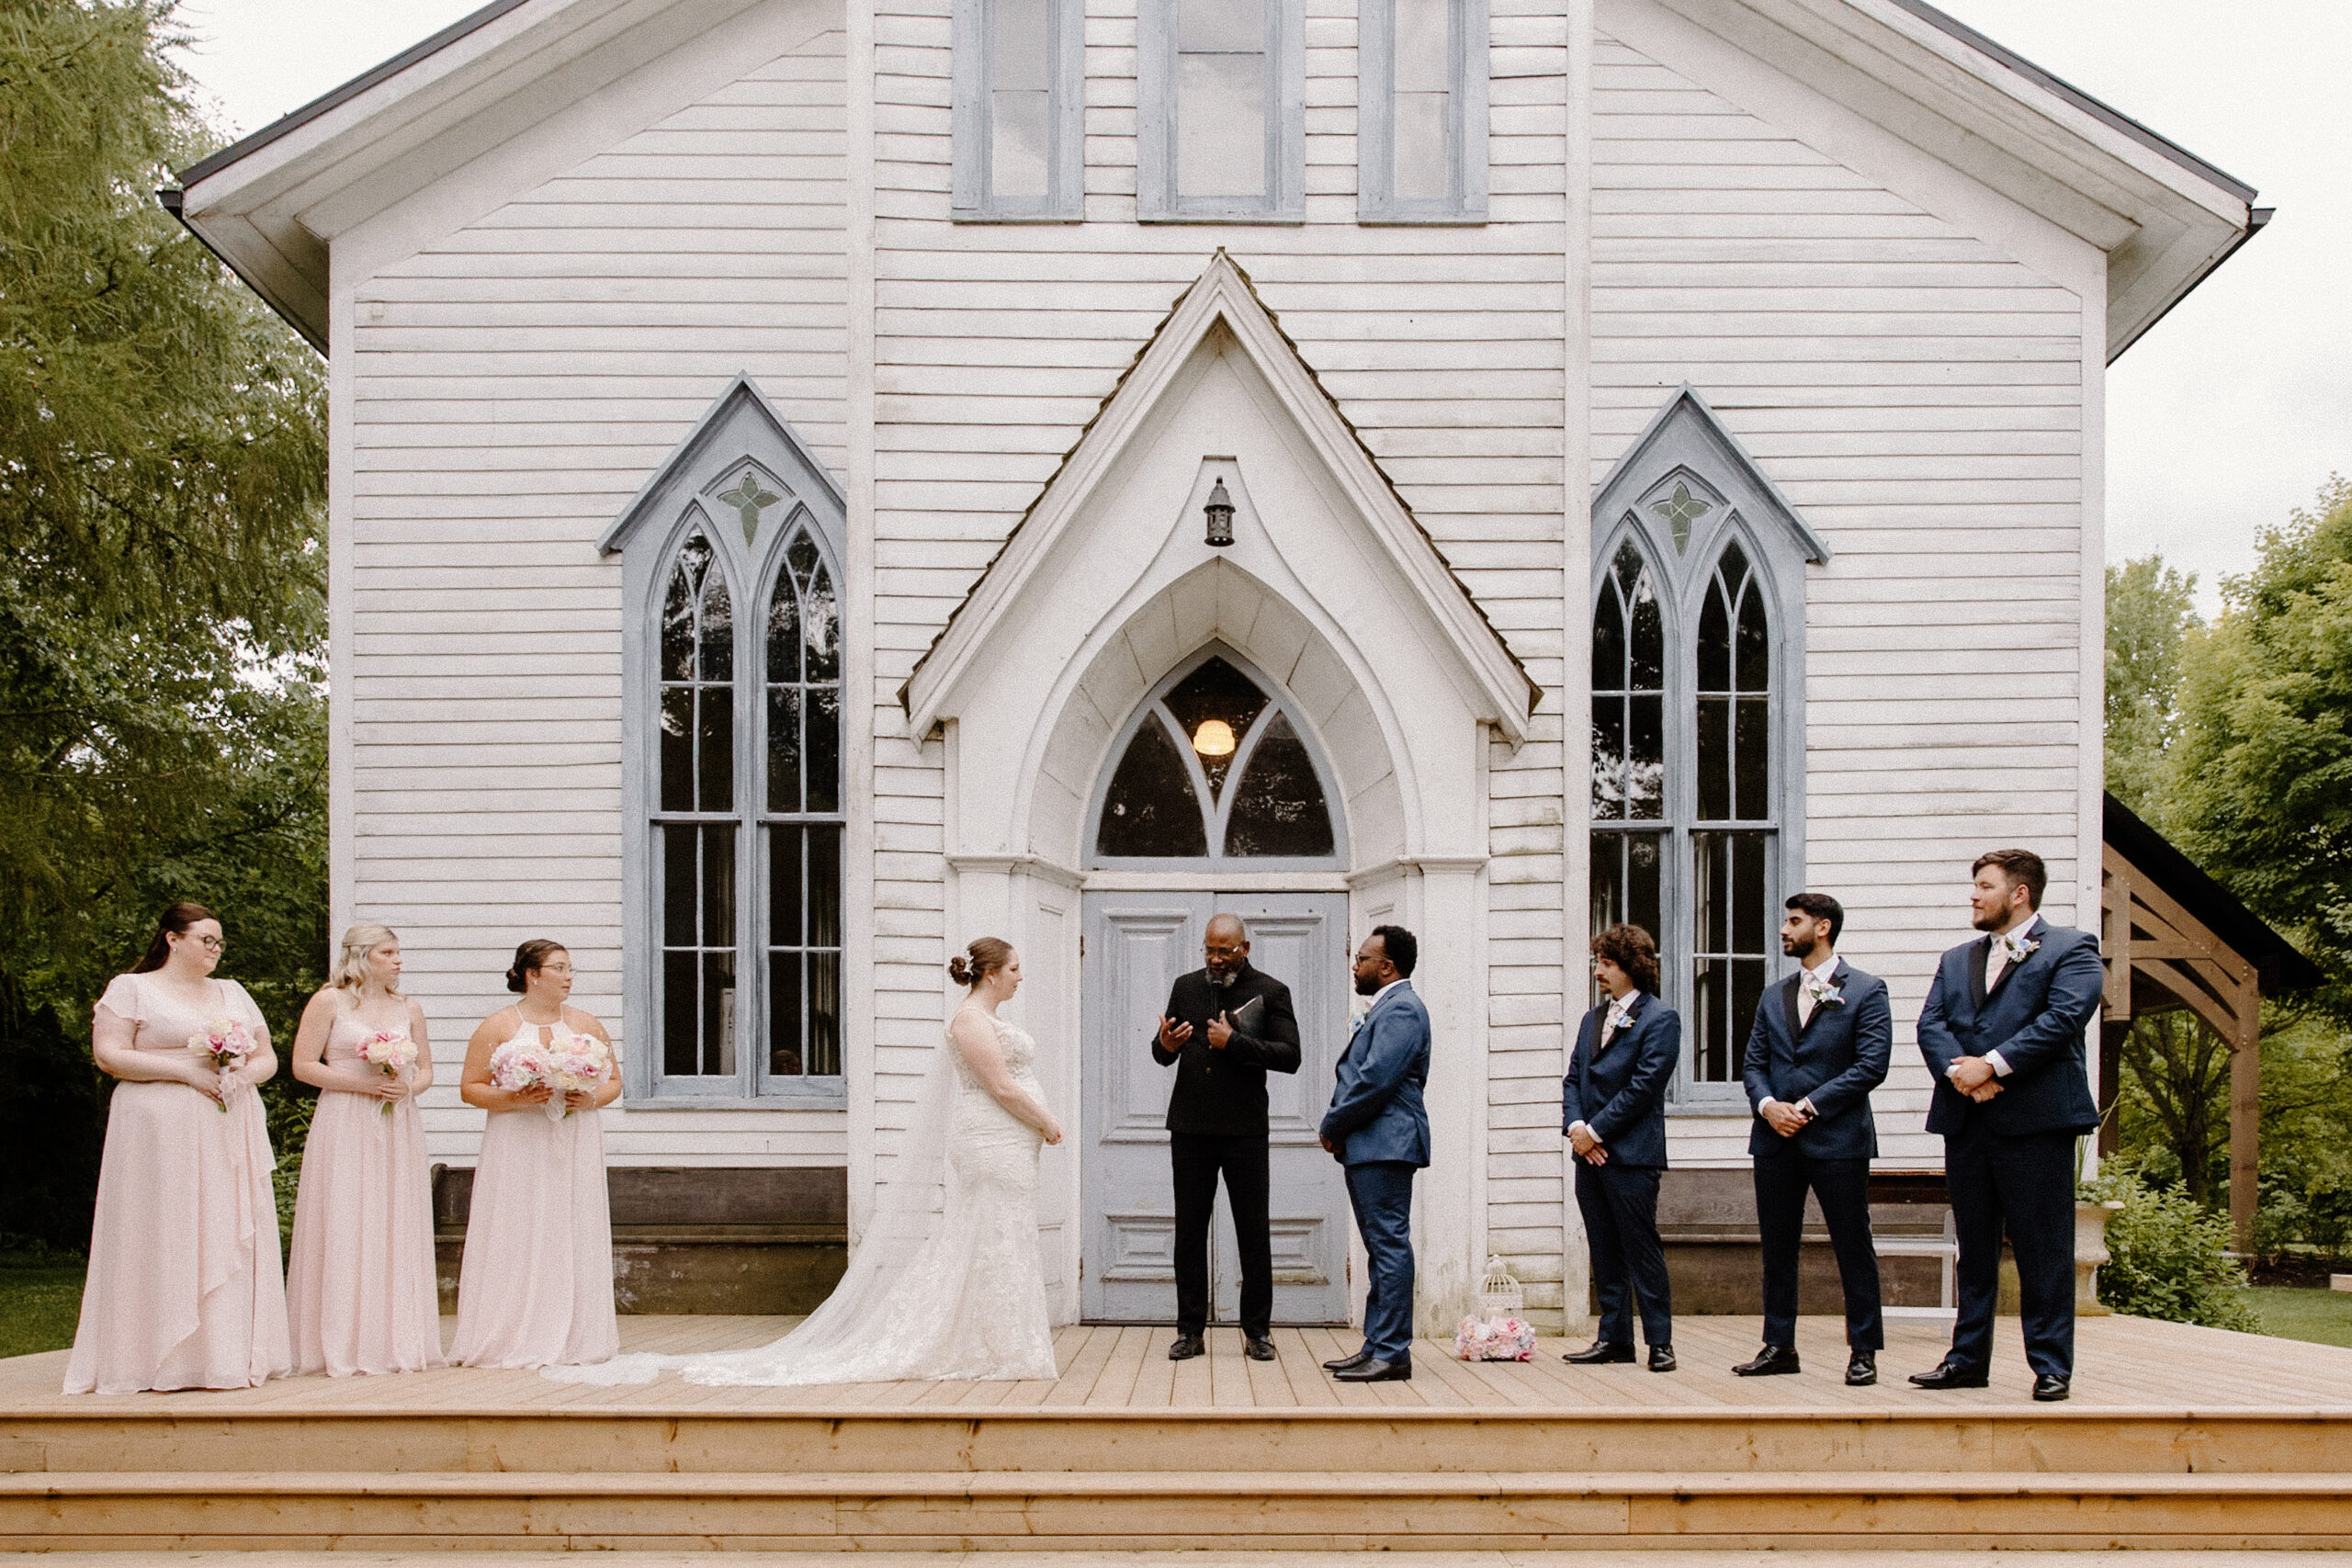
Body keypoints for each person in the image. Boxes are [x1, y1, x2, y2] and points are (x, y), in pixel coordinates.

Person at [548, 937, 1064, 1387]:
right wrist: (1045, 1120)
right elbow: (999, 1085)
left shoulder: (989, 1018)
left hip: (1007, 1141)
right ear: (991, 973)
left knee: (1001, 1234)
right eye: (1015, 969)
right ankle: (986, 1344)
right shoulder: (970, 1020)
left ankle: (999, 1341)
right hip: (992, 1139)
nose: (1021, 977)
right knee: (990, 1232)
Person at [64, 902, 293, 1394]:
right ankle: (151, 1356)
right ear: (173, 939)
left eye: (220, 943)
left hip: (225, 1123)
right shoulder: (133, 988)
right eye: (206, 940)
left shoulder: (232, 993)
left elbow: (267, 1055)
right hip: (155, 1129)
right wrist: (186, 1072)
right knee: (164, 1225)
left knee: (222, 1225)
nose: (215, 950)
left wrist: (242, 1078)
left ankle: (222, 1355)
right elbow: (110, 1054)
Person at [1912, 849, 2103, 1402]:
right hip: (1967, 1120)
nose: (1973, 895)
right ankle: (1967, 1359)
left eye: (1984, 886)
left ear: (2019, 893)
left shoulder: (2073, 949)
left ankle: (2050, 1366)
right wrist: (1960, 1073)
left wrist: (1990, 1065)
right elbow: (1932, 1023)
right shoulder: (1955, 959)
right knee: (1974, 1246)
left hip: (2037, 1121)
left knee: (2043, 1246)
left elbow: (2063, 1017)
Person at [1734, 894, 1890, 1386]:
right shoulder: (1773, 993)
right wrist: (1767, 1106)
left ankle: (1863, 1350)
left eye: (1794, 921)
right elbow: (1753, 1062)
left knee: (1852, 1244)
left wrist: (1807, 1106)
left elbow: (1871, 1066)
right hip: (1774, 1139)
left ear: (1822, 928)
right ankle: (1779, 1345)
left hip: (1838, 1139)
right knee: (1777, 1247)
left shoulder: (1866, 990)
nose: (1784, 928)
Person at [447, 940, 622, 1370]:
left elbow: (614, 1081)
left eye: (570, 968)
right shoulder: (498, 1026)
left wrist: (592, 1099)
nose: (568, 976)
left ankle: (575, 1335)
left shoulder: (586, 1024)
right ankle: (509, 1332)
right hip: (517, 1140)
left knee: (570, 1221)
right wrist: (517, 1097)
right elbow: (471, 1087)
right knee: (517, 1223)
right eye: (559, 968)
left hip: (573, 1137)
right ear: (532, 974)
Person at [285, 923, 444, 1376]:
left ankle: (394, 1337)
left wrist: (408, 1087)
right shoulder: (328, 1001)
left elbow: (428, 1069)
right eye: (387, 953)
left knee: (392, 1217)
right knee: (345, 1214)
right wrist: (363, 1084)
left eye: (398, 953)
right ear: (360, 957)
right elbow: (302, 1065)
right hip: (345, 1118)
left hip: (396, 1122)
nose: (398, 960)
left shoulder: (408, 1008)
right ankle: (337, 1339)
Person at [1152, 912, 1302, 1363]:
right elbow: (1162, 1054)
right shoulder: (1186, 986)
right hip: (1191, 1128)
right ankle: (1190, 1331)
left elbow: (1290, 1056)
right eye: (1209, 950)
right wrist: (1166, 1045)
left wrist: (1233, 1043)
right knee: (1189, 1234)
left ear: (1245, 948)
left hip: (1244, 1130)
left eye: (1225, 950)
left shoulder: (1272, 991)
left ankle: (1257, 1332)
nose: (1216, 959)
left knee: (1252, 1232)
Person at [1562, 923, 1679, 1373]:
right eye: (1598, 963)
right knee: (1603, 1246)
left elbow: (1645, 1087)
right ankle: (1614, 1337)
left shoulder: (1660, 1019)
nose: (1598, 972)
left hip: (1631, 1155)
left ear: (1632, 966)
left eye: (1606, 964)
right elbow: (1574, 1078)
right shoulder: (1593, 1019)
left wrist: (1597, 1132)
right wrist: (1576, 1128)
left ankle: (1660, 1341)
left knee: (1640, 1247)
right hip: (1588, 1153)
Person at [1317, 925, 1429, 1384]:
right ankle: (1376, 1345)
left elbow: (1373, 1080)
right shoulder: (1388, 1007)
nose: (1355, 964)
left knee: (1389, 1246)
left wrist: (1332, 1123)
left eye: (1362, 958)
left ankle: (1393, 1351)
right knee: (1379, 1249)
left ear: (1386, 967)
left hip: (1386, 1142)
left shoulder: (1402, 1009)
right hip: (1371, 1144)